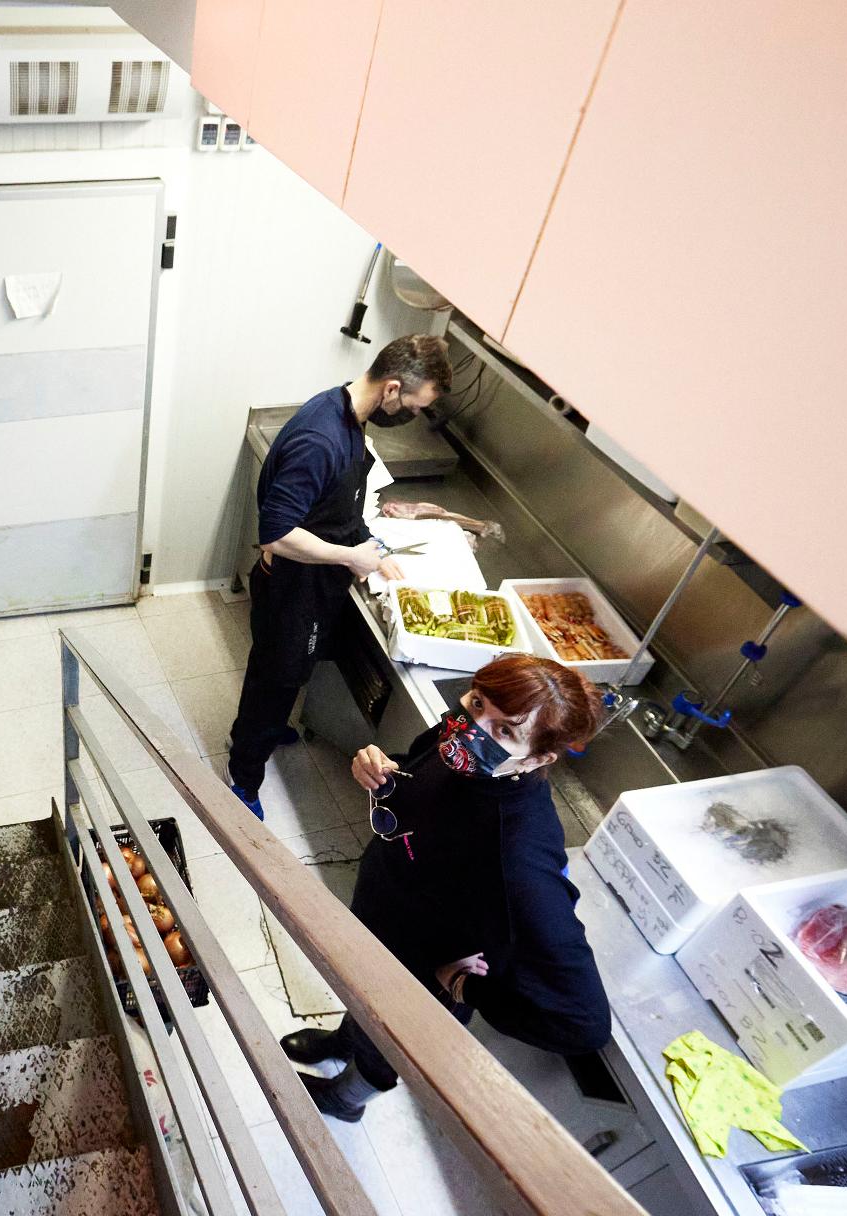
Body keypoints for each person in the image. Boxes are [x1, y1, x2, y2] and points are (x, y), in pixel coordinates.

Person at [282, 654, 613, 1121]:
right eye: (477, 703)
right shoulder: (455, 738)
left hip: (420, 974)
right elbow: (417, 781)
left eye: (504, 732)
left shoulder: (518, 855)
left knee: (387, 1042)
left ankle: (346, 1098)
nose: (473, 728)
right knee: (361, 998)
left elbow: (584, 1023)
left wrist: (464, 988)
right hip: (382, 922)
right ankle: (343, 1040)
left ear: (537, 758)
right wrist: (378, 770)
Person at [226, 335, 452, 818]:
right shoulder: (321, 438)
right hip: (292, 588)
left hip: (311, 585)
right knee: (274, 680)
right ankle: (243, 776)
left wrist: (370, 544)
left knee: (281, 679)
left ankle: (263, 727)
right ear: (392, 389)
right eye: (414, 405)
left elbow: (340, 503)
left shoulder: (348, 414)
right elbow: (277, 533)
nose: (412, 415)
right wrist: (352, 556)